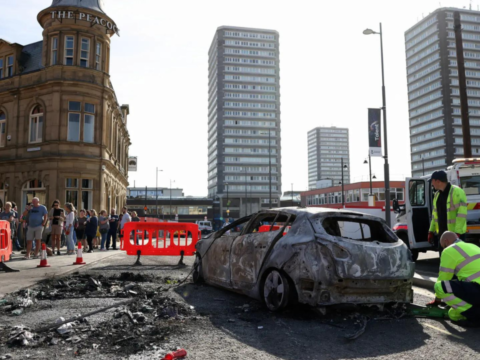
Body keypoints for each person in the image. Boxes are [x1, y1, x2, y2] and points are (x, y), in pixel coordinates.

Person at [431, 231, 480, 326]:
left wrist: (438, 299)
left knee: (439, 286)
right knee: (453, 314)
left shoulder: (449, 250)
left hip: (477, 289)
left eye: (443, 246)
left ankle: (475, 314)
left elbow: (443, 278)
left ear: (446, 241)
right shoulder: (473, 246)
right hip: (476, 289)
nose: (444, 248)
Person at [428, 170, 468, 247]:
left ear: (438, 181)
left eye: (432, 181)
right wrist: (431, 231)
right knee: (444, 258)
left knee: (457, 258)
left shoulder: (457, 192)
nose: (432, 184)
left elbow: (462, 214)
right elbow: (435, 216)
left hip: (455, 236)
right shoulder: (436, 195)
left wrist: (457, 234)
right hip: (443, 237)